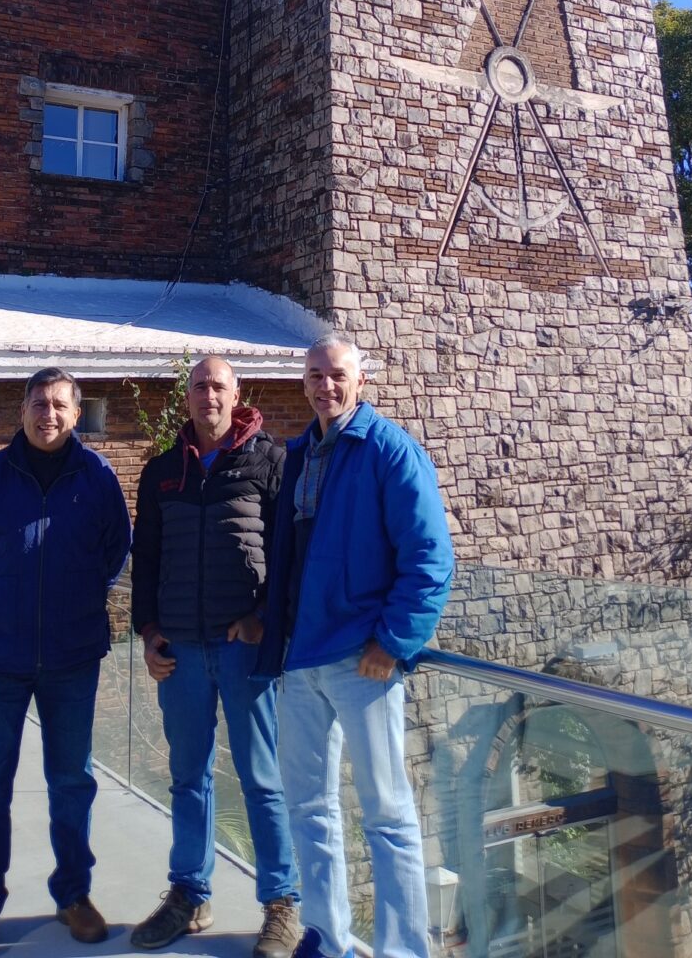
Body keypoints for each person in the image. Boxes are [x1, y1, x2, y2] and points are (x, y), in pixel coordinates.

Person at [255, 332, 454, 958]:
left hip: (362, 661)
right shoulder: (300, 454)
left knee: (388, 815)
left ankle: (401, 950)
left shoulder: (390, 450)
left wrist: (394, 642)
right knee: (309, 809)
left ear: (359, 381)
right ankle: (326, 933)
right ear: (304, 383)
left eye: (336, 374)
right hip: (300, 660)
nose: (325, 385)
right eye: (314, 375)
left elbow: (430, 557)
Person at [0, 367, 132, 958]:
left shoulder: (97, 479)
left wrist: (69, 605)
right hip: (0, 657)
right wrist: (4, 608)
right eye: (37, 403)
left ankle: (73, 895)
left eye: (58, 404)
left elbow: (115, 551)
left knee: (71, 782)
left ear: (76, 413)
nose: (47, 414)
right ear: (21, 410)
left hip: (72, 659)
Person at [130, 354, 301, 957]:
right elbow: (145, 559)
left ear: (237, 395)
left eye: (219, 386)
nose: (209, 395)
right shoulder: (160, 473)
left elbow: (288, 556)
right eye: (199, 385)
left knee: (261, 778)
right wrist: (148, 632)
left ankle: (281, 905)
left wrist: (265, 621)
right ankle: (189, 895)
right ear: (189, 396)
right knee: (187, 778)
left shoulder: (269, 460)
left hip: (242, 651)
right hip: (180, 649)